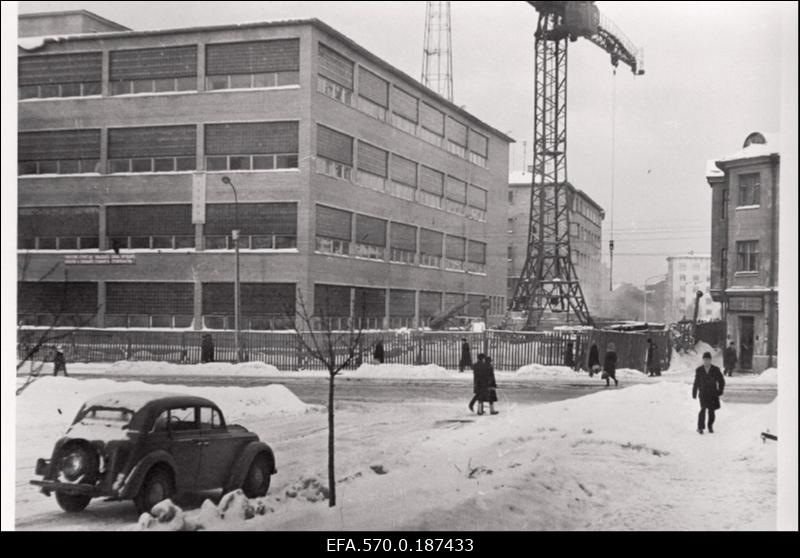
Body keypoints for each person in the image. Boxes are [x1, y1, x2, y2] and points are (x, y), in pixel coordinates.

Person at [693, 351, 725, 434]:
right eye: (705, 359)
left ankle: (710, 425)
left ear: (710, 360)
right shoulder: (699, 370)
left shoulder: (715, 370)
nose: (706, 361)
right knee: (702, 410)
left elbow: (721, 381)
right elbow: (696, 382)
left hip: (712, 394)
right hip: (703, 393)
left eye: (708, 359)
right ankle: (700, 427)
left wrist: (720, 391)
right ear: (703, 360)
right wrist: (694, 392)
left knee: (711, 411)